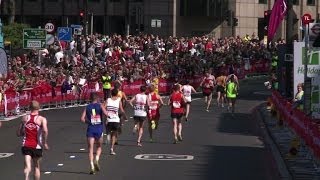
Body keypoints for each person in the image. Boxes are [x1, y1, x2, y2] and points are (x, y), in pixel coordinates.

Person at [16, 100, 49, 180]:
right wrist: (45, 143)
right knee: (36, 166)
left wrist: (24, 131)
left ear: (30, 108)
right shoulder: (42, 119)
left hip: (26, 145)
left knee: (27, 165)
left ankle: (26, 177)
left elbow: (18, 133)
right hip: (37, 146)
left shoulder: (24, 118)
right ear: (39, 108)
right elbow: (45, 130)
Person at [80, 92, 109, 174]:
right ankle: (96, 159)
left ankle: (92, 166)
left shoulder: (87, 107)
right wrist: (107, 118)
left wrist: (88, 122)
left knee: (90, 149)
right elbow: (106, 113)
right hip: (99, 129)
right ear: (97, 98)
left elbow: (82, 118)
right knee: (99, 147)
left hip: (90, 129)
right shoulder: (100, 105)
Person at [104, 88, 125, 155]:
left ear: (111, 93)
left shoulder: (108, 100)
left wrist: (106, 114)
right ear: (117, 94)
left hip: (109, 119)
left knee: (107, 127)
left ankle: (107, 134)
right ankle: (112, 149)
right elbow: (122, 110)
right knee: (114, 134)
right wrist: (123, 116)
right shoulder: (119, 100)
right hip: (115, 119)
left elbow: (103, 108)